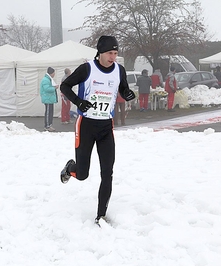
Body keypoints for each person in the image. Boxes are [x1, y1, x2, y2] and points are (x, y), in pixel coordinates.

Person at [59, 35, 135, 224]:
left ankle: (101, 215)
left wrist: (127, 94)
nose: (113, 57)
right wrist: (79, 101)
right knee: (83, 174)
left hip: (106, 127)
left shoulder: (119, 70)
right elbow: (65, 86)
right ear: (100, 52)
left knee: (107, 172)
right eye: (110, 53)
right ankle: (70, 168)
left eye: (116, 53)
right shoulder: (87, 69)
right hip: (86, 126)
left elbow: (123, 88)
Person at [39, 67, 59, 132]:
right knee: (48, 113)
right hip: (47, 98)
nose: (54, 74)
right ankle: (47, 126)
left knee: (50, 112)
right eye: (54, 73)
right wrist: (54, 88)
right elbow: (47, 89)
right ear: (51, 73)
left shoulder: (48, 79)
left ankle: (49, 125)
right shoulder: (46, 80)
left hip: (50, 98)